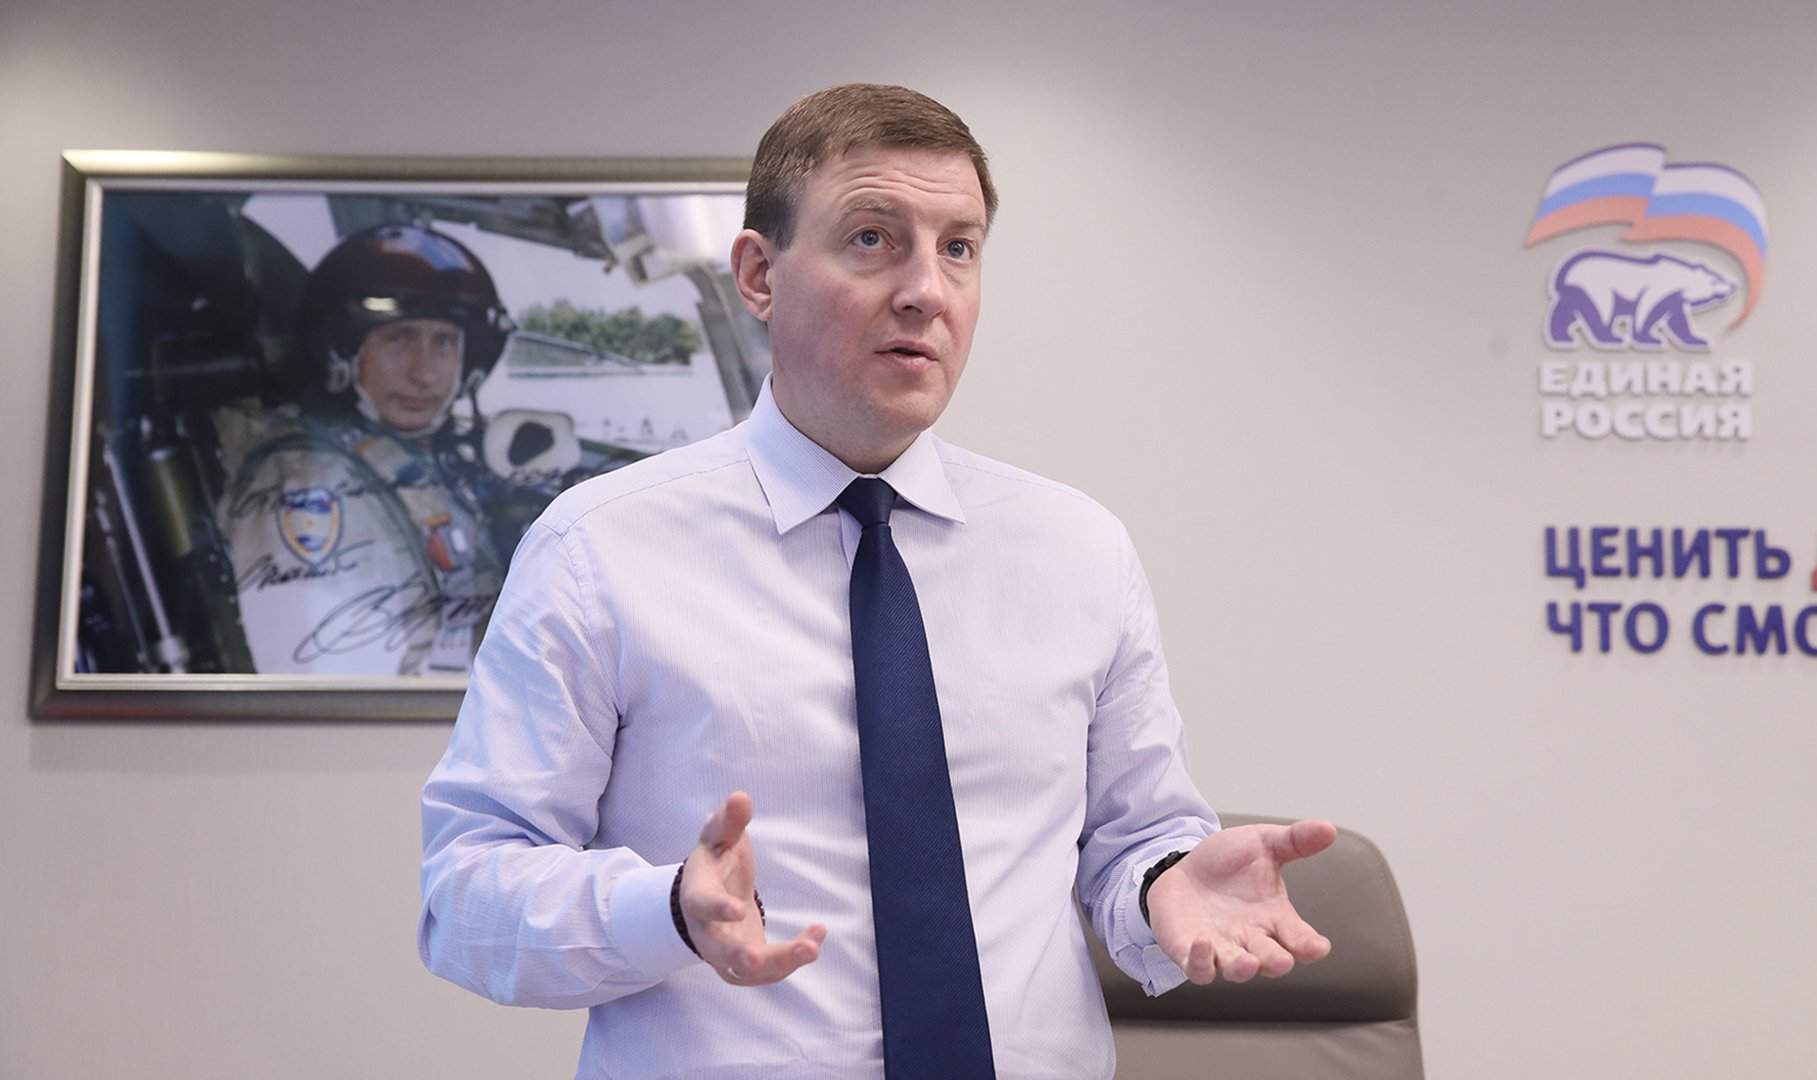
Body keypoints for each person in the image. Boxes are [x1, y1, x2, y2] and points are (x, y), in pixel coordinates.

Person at [418, 84, 1336, 1080]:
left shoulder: (1078, 550)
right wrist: (666, 908)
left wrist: (1164, 882)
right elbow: (464, 894)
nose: (926, 291)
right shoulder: (599, 549)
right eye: (872, 240)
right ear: (759, 275)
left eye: (959, 247)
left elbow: (1136, 837)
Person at [213, 223, 514, 675]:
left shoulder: (411, 455)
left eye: (444, 342)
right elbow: (338, 683)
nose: (424, 373)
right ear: (341, 353)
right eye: (398, 339)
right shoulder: (305, 482)